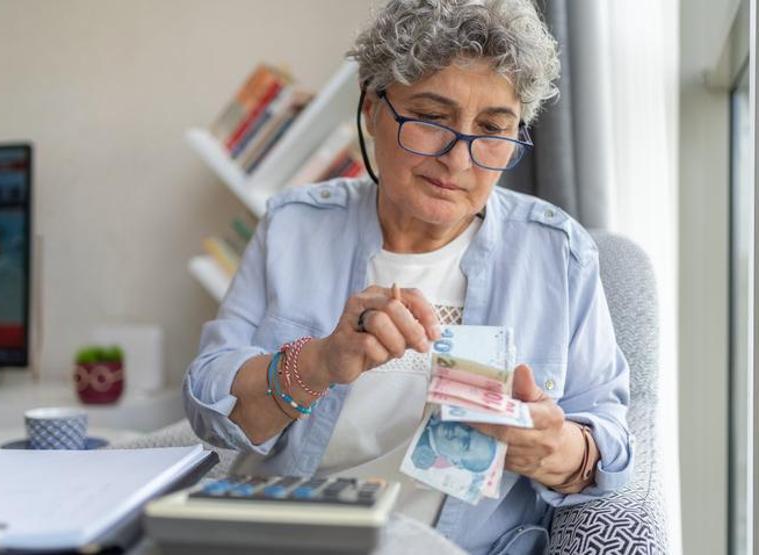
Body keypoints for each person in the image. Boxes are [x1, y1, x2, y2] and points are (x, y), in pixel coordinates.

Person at [184, 0, 633, 553]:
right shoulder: (294, 226)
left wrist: (553, 447)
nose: (459, 160)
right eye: (431, 119)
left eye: (492, 129)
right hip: (290, 535)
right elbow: (209, 406)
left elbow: (610, 441)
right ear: (373, 110)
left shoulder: (557, 253)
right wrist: (319, 362)